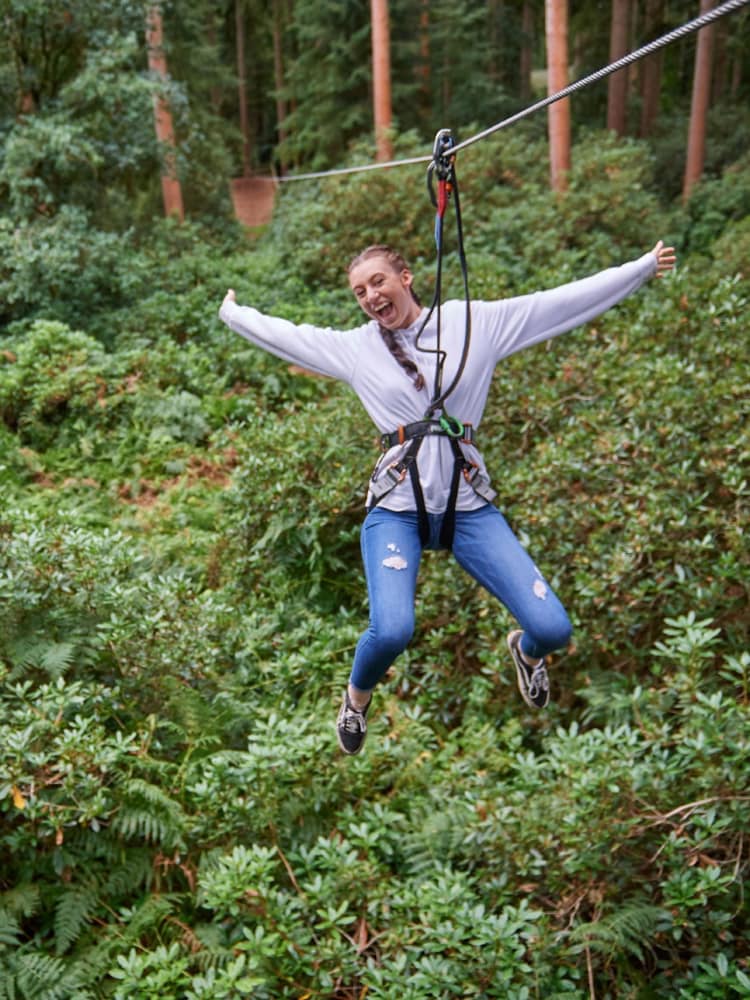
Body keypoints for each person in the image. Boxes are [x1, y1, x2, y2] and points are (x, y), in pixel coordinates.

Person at [219, 239, 676, 755]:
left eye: (378, 282)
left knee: (552, 628)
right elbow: (289, 337)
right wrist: (233, 314)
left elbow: (557, 303)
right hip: (396, 509)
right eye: (359, 291)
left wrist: (637, 269)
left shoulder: (474, 324)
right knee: (392, 631)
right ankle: (355, 698)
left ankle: (526, 655)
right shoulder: (357, 349)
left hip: (468, 507)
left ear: (407, 277)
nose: (370, 297)